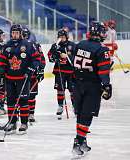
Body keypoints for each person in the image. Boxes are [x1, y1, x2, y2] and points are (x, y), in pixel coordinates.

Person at [72, 21, 112, 156]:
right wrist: (106, 85)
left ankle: (81, 140)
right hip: (92, 86)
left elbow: (74, 62)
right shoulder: (102, 49)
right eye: (102, 31)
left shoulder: (80, 44)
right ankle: (78, 141)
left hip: (77, 84)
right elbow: (103, 71)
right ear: (99, 33)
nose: (104, 34)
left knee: (81, 113)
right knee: (87, 114)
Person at [0, 24, 41, 134]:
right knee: (11, 101)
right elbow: (2, 59)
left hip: (23, 78)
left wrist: (31, 69)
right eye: (13, 32)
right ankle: (12, 122)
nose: (15, 35)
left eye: (17, 33)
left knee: (23, 101)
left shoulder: (28, 44)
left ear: (21, 33)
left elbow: (37, 59)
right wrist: (2, 68)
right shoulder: (7, 45)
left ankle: (24, 123)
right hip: (10, 78)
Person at [48, 28, 76, 119]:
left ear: (66, 37)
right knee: (60, 89)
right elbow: (50, 58)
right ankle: (60, 106)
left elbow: (76, 58)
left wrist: (67, 56)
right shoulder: (55, 45)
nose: (61, 38)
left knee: (73, 90)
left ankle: (75, 106)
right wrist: (54, 53)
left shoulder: (72, 45)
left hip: (71, 71)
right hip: (59, 71)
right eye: (60, 37)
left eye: (63, 37)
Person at [22, 27, 46, 123]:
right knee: (22, 96)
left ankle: (31, 114)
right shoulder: (16, 46)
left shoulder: (35, 45)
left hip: (32, 75)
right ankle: (23, 113)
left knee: (31, 95)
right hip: (21, 76)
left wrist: (41, 70)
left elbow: (41, 59)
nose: (24, 37)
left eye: (25, 35)